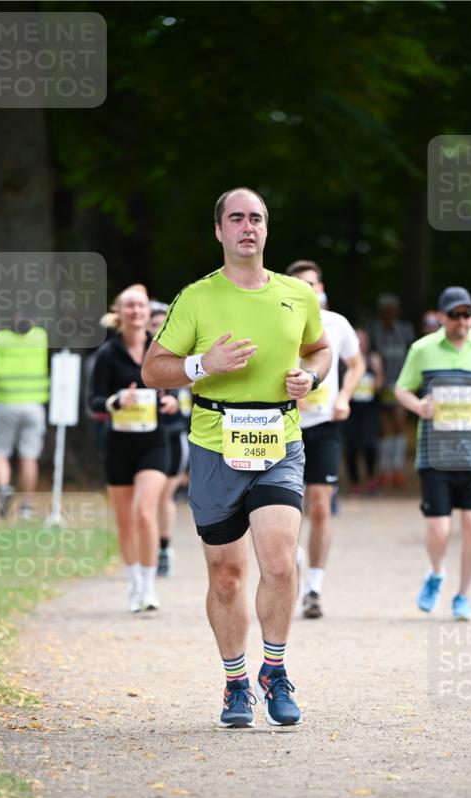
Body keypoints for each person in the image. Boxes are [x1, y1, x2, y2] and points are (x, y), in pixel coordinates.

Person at [142, 188, 332, 728]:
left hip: (280, 436)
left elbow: (320, 348)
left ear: (266, 230)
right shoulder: (196, 298)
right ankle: (234, 684)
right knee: (226, 575)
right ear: (219, 231)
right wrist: (205, 364)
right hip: (213, 443)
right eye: (236, 218)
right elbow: (154, 370)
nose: (247, 226)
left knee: (277, 560)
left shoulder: (298, 294)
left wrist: (310, 377)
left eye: (257, 218)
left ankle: (274, 670)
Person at [395, 286, 471, 620]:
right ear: (441, 317)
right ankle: (436, 573)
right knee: (440, 530)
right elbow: (401, 389)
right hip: (435, 454)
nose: (462, 321)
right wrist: (419, 406)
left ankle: (463, 596)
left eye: (467, 314)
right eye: (455, 315)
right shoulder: (423, 349)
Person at [88, 284, 178, 613]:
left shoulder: (161, 349)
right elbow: (94, 401)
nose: (136, 312)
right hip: (118, 445)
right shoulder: (107, 354)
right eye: (130, 306)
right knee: (125, 521)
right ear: (119, 312)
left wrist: (170, 403)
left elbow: (175, 396)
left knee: (145, 511)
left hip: (154, 443)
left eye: (141, 306)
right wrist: (115, 400)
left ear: (147, 311)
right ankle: (134, 582)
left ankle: (151, 585)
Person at [285, 259, 365, 619]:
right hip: (284, 427)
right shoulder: (278, 321)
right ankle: (295, 556)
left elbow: (358, 364)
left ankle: (314, 588)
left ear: (321, 288)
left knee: (319, 506)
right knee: (286, 511)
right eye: (300, 285)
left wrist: (345, 395)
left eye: (313, 285)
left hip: (325, 426)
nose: (309, 291)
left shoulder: (337, 324)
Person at [0, 315, 49, 518]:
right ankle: (26, 507)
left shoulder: (0, 338)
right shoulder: (40, 337)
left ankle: (4, 487)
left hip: (5, 403)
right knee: (29, 456)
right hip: (33, 405)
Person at [148, 301, 192, 577]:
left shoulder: (187, 359)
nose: (157, 330)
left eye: (162, 325)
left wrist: (178, 405)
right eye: (153, 326)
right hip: (143, 438)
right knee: (146, 500)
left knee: (163, 496)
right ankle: (147, 551)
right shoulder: (139, 359)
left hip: (175, 435)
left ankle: (164, 549)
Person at [370, 293, 415, 489]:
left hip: (401, 385)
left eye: (392, 309)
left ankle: (397, 469)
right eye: (385, 310)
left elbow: (413, 355)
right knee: (383, 428)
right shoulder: (374, 331)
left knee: (399, 425)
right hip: (381, 386)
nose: (389, 313)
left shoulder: (405, 331)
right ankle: (384, 469)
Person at [344, 328, 384, 496]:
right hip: (351, 410)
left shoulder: (374, 359)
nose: (360, 343)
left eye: (363, 340)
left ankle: (370, 477)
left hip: (369, 410)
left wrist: (375, 382)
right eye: (357, 340)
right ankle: (354, 482)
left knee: (370, 445)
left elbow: (380, 383)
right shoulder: (346, 359)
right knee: (351, 448)